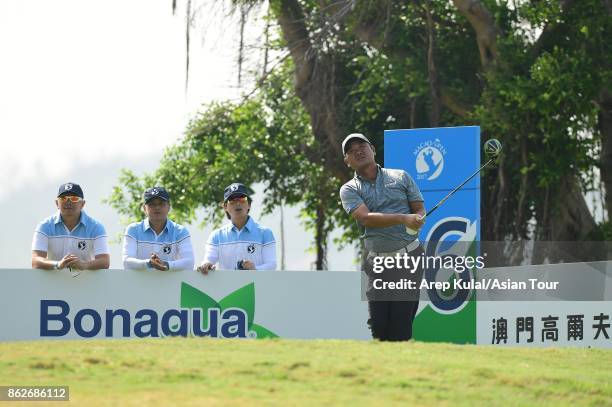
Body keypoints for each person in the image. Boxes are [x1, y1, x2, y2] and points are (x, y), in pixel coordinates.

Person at [339, 133, 426, 341]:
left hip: (409, 258)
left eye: (362, 145)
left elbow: (419, 208)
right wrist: (403, 218)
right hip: (376, 261)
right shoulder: (349, 189)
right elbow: (365, 218)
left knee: (401, 324)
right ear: (347, 161)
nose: (358, 151)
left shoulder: (401, 176)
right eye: (351, 150)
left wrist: (417, 220)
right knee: (378, 325)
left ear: (373, 149)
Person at [198, 183, 276, 273]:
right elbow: (208, 260)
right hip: (227, 287)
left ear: (249, 205)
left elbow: (271, 264)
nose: (238, 203)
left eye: (242, 199)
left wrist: (255, 269)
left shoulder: (265, 233)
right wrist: (207, 264)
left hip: (257, 286)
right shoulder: (216, 236)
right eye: (232, 200)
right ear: (225, 207)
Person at [31, 182, 110, 270]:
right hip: (52, 282)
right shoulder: (44, 226)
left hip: (86, 282)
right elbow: (35, 261)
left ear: (82, 204)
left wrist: (84, 265)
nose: (68, 202)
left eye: (74, 198)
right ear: (57, 203)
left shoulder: (96, 227)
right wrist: (58, 264)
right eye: (63, 198)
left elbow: (104, 261)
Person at [122, 186, 194, 271]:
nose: (157, 207)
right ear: (144, 208)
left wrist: (166, 264)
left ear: (168, 207)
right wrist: (149, 263)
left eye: (161, 204)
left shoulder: (180, 231)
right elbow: (126, 262)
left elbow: (189, 263)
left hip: (171, 283)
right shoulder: (133, 230)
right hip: (139, 284)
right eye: (152, 204)